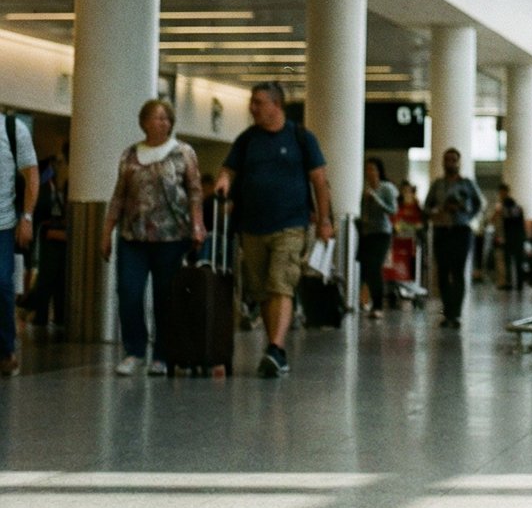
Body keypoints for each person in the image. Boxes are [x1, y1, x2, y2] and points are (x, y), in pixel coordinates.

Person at [213, 82, 334, 379]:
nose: (252, 107)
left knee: (281, 283)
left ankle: (276, 347)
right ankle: (274, 350)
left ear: (276, 105)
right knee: (264, 290)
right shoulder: (246, 139)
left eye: (258, 102)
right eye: (252, 102)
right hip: (251, 226)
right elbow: (229, 170)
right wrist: (223, 181)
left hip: (290, 225)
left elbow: (319, 180)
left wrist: (324, 220)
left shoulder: (300, 137)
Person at [100, 98, 205, 375]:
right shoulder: (130, 155)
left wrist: (197, 225)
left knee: (165, 296)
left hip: (172, 237)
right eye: (156, 118)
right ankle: (134, 350)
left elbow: (194, 191)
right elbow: (118, 196)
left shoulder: (183, 152)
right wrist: (106, 231)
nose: (162, 123)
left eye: (166, 119)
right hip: (132, 236)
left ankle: (162, 353)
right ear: (144, 122)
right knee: (129, 293)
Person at [1, 110, 40, 377]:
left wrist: (26, 217)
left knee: (2, 283)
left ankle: (5, 350)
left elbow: (32, 176)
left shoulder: (13, 129)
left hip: (3, 225)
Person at [425, 148, 483, 328]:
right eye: (447, 160)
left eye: (453, 160)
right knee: (442, 271)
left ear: (459, 162)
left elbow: (478, 203)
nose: (450, 163)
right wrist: (438, 212)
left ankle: (455, 314)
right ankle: (447, 312)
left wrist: (465, 215)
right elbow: (427, 207)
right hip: (442, 230)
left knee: (457, 272)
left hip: (461, 230)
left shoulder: (467, 184)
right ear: (443, 162)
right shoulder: (437, 185)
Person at [25, 142, 69, 330]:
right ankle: (45, 314)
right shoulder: (52, 184)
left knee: (54, 278)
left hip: (55, 234)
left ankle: (48, 314)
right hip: (51, 234)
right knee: (50, 277)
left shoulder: (63, 183)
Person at [357, 157, 398, 319]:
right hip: (367, 233)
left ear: (379, 171)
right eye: (367, 169)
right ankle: (367, 300)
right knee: (366, 269)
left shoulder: (386, 188)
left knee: (375, 267)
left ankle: (378, 305)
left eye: (372, 169)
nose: (369, 173)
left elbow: (392, 210)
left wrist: (376, 199)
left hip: (382, 233)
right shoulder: (365, 189)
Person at [490, 184, 529, 292]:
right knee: (513, 261)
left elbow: (510, 216)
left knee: (514, 261)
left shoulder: (511, 205)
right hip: (512, 237)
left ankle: (512, 283)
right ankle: (514, 283)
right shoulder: (508, 206)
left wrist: (500, 211)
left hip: (513, 237)